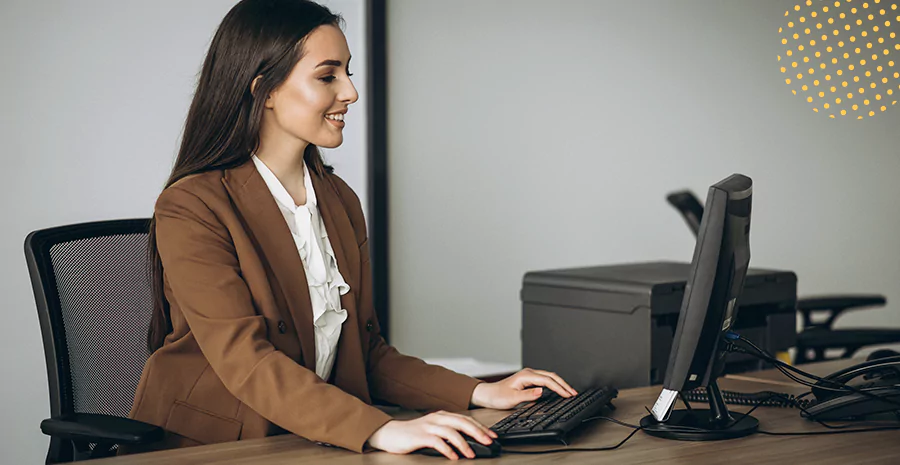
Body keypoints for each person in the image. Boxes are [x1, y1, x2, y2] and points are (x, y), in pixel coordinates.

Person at [127, 0, 577, 460]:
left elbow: (367, 354)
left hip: (308, 437)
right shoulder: (192, 205)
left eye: (348, 72)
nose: (350, 93)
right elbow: (249, 363)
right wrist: (380, 428)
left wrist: (483, 393)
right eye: (328, 76)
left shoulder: (337, 198)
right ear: (265, 90)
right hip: (215, 447)